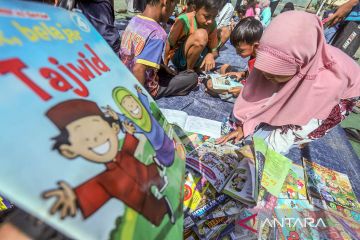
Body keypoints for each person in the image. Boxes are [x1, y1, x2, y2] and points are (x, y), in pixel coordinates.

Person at [216, 11, 360, 154]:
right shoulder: (276, 52)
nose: (266, 77)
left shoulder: (326, 82)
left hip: (343, 90)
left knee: (286, 134)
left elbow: (296, 127)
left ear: (299, 67)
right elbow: (258, 95)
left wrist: (263, 151)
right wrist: (244, 125)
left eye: (275, 73)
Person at [120, 0, 198, 99]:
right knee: (192, 77)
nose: (173, 12)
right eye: (174, 5)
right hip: (146, 87)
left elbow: (135, 56)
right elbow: (138, 69)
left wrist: (162, 67)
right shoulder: (157, 33)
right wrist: (140, 100)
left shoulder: (135, 20)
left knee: (167, 71)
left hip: (124, 78)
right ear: (166, 2)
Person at [206, 17, 263, 100]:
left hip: (250, 94)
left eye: (241, 50)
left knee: (211, 84)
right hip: (245, 84)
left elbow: (262, 89)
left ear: (256, 46)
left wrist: (242, 90)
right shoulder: (254, 55)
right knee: (223, 69)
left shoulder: (263, 63)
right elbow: (252, 73)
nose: (237, 53)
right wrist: (241, 74)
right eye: (236, 49)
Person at [164, 0, 221, 72]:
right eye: (207, 16)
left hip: (198, 59)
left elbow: (214, 50)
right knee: (201, 34)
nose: (210, 21)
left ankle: (196, 68)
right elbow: (169, 43)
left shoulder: (212, 24)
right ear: (195, 9)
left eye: (214, 17)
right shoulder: (183, 20)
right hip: (180, 59)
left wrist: (211, 55)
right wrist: (165, 66)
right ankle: (189, 71)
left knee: (224, 31)